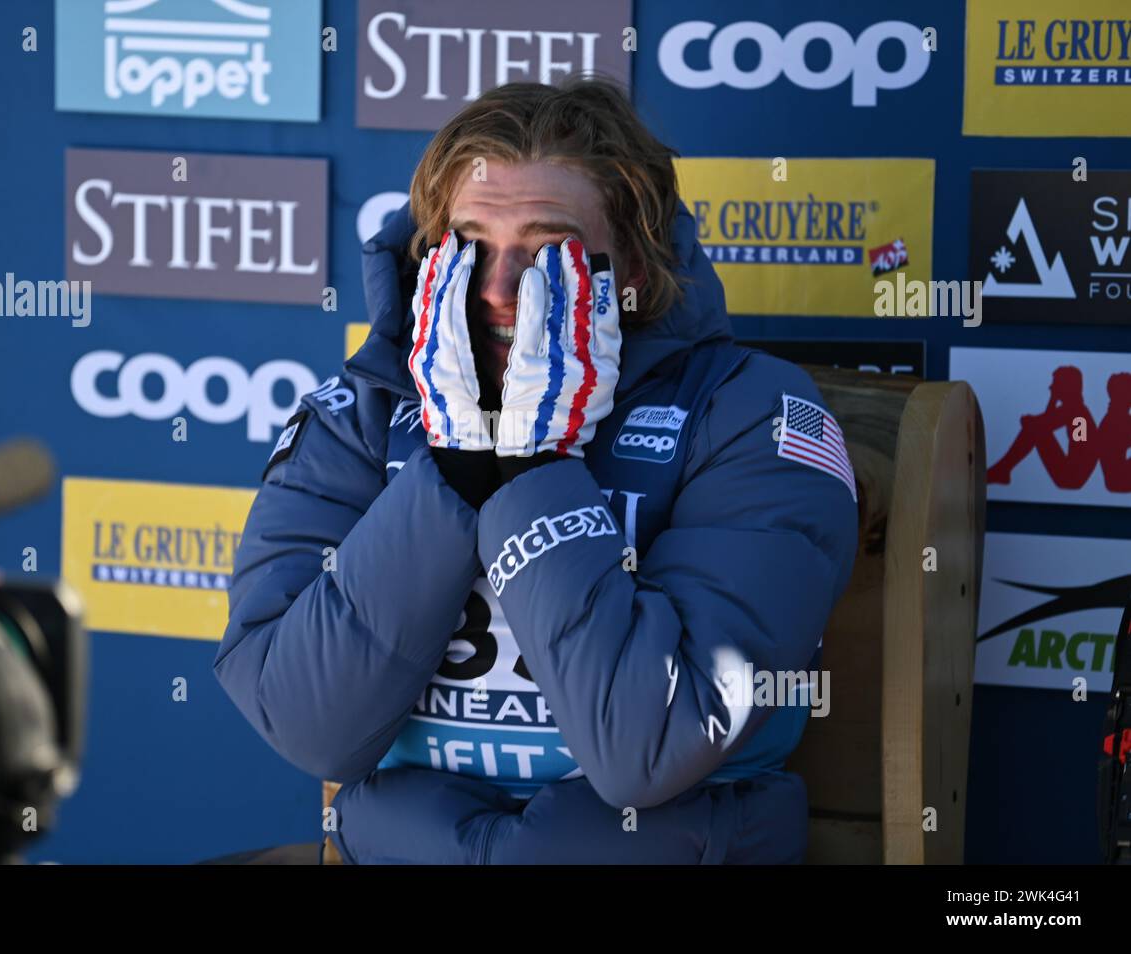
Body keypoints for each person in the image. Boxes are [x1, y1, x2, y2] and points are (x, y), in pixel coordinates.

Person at [214, 78, 858, 864]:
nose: (496, 289)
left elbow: (647, 750)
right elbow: (307, 722)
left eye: (546, 251)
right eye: (471, 246)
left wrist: (535, 465)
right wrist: (452, 466)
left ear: (636, 277)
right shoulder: (362, 414)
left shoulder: (753, 411)